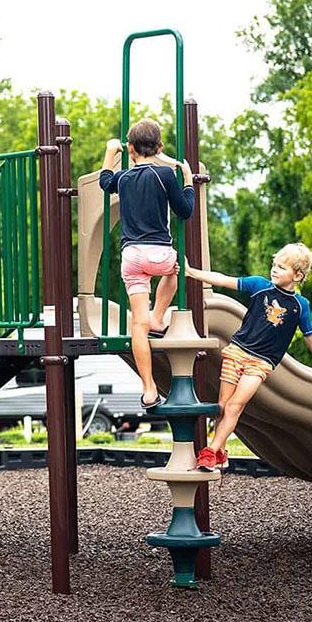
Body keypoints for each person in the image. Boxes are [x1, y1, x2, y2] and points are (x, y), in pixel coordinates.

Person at [185, 243, 312, 471]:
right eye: (274, 264)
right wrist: (192, 272)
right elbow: (224, 279)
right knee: (222, 406)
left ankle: (211, 452)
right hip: (237, 351)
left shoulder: (300, 306)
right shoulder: (259, 286)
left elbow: (310, 336)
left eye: (282, 267)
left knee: (235, 406)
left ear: (298, 275)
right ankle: (221, 452)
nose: (274, 269)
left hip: (261, 363)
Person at [99, 119, 195, 409]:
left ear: (130, 149)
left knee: (137, 325)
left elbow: (105, 181)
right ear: (160, 147)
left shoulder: (124, 178)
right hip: (161, 255)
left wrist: (109, 152)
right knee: (179, 267)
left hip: (132, 257)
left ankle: (149, 388)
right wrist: (188, 178)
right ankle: (160, 315)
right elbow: (185, 210)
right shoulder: (165, 174)